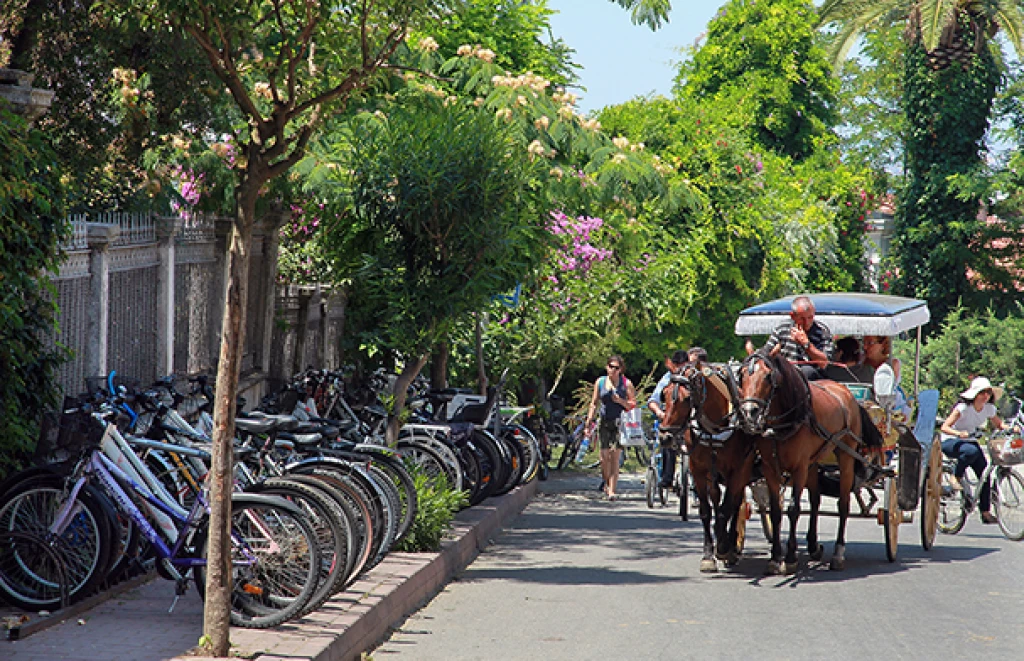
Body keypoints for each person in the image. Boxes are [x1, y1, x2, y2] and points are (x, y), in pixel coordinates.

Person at [939, 376, 1004, 524]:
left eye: (988, 392)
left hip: (970, 441)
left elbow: (999, 424)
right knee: (971, 452)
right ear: (975, 394)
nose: (985, 396)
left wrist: (1010, 428)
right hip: (951, 441)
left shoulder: (989, 409)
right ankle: (956, 476)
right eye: (982, 392)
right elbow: (945, 427)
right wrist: (958, 433)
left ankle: (985, 512)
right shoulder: (963, 408)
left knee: (985, 473)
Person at [648, 347, 706, 489]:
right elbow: (653, 400)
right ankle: (667, 476)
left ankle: (699, 485)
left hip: (690, 421)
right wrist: (660, 413)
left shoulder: (694, 377)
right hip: (673, 421)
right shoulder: (668, 378)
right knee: (667, 441)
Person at [585, 355, 637, 501]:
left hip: (620, 422)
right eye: (611, 367)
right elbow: (594, 402)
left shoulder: (626, 384)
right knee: (603, 457)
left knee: (614, 455)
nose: (613, 370)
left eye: (617, 368)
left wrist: (620, 401)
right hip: (604, 421)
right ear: (607, 367)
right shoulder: (600, 382)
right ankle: (607, 484)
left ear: (621, 369)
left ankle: (612, 490)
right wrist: (590, 419)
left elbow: (633, 404)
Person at [745, 295, 833, 380]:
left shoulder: (822, 332)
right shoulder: (782, 329)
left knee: (807, 372)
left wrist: (806, 344)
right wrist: (755, 357)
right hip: (786, 376)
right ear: (792, 316)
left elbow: (824, 363)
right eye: (802, 319)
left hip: (813, 380)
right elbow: (766, 352)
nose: (807, 323)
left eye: (810, 317)